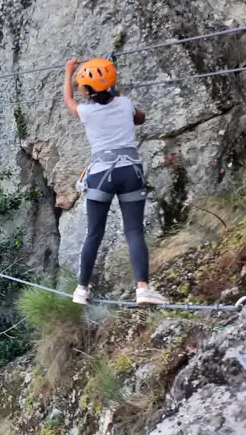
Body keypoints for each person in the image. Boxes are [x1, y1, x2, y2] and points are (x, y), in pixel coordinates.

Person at [62, 57, 167, 306]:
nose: (79, 88)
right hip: (131, 172)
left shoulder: (86, 111)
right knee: (134, 230)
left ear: (88, 90)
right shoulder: (125, 104)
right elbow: (140, 117)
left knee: (94, 234)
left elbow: (69, 102)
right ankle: (143, 288)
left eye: (81, 85)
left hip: (101, 176)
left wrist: (68, 72)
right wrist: (122, 101)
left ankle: (81, 288)